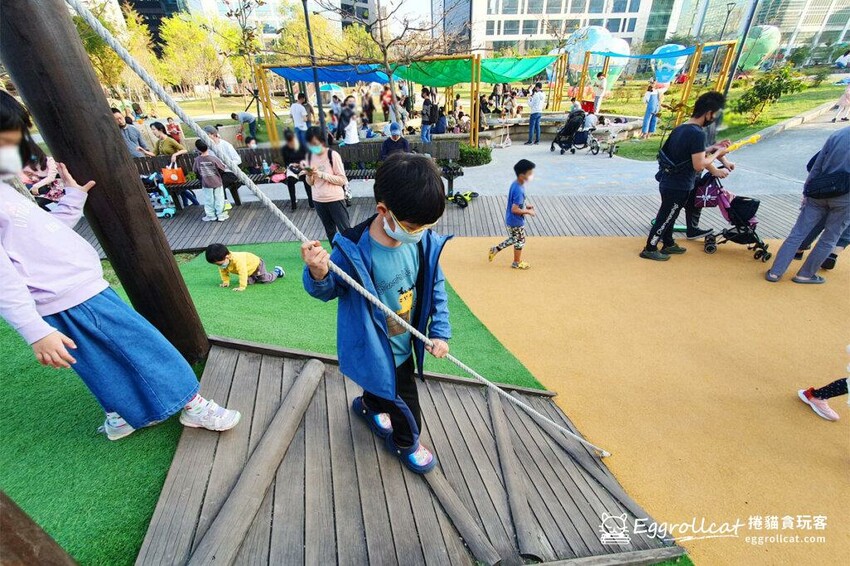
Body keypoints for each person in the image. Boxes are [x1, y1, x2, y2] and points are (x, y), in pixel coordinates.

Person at [0, 92, 240, 440]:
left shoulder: (5, 190)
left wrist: (72, 200)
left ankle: (122, 415)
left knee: (104, 365)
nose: (18, 146)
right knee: (146, 348)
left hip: (76, 291)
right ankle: (193, 404)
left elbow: (41, 238)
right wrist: (34, 330)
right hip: (68, 297)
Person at [300, 152, 450, 474]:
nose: (421, 231)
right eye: (414, 226)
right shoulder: (352, 249)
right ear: (384, 211)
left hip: (405, 341)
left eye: (428, 225)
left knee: (377, 386)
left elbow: (435, 286)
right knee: (405, 405)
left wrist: (439, 331)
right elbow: (327, 290)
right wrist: (318, 272)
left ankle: (368, 406)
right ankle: (406, 442)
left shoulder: (421, 241)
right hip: (376, 348)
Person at [641, 92, 733, 261]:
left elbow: (687, 153)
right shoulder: (698, 133)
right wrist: (718, 152)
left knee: (671, 214)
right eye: (715, 115)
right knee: (666, 216)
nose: (714, 119)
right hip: (679, 184)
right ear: (708, 113)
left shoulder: (682, 128)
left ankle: (668, 243)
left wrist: (712, 148)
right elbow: (699, 164)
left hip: (668, 180)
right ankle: (650, 247)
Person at [766, 127, 850, 283]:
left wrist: (807, 190)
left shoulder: (838, 134)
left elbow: (817, 165)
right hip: (845, 198)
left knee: (797, 233)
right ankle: (805, 275)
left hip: (820, 190)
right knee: (829, 238)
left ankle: (775, 272)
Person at [301, 126, 350, 241]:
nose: (312, 147)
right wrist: (309, 175)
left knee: (345, 231)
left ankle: (350, 252)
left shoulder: (332, 155)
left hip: (334, 199)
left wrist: (321, 174)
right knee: (330, 232)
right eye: (310, 144)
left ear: (322, 141)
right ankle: (335, 252)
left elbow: (342, 180)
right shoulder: (309, 157)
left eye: (315, 143)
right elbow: (310, 183)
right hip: (318, 200)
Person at [488, 159, 536, 270]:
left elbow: (517, 203)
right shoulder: (519, 190)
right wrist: (528, 211)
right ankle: (516, 262)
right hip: (516, 220)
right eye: (529, 173)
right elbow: (514, 209)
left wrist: (526, 206)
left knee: (515, 239)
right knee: (520, 241)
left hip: (511, 219)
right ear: (522, 175)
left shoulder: (516, 184)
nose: (531, 175)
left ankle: (495, 249)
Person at [205, 243, 284, 291]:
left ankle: (277, 271)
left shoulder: (238, 260)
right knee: (249, 282)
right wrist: (226, 282)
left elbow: (242, 272)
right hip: (248, 270)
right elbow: (223, 272)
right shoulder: (223, 262)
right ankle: (254, 277)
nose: (219, 266)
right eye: (217, 264)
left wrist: (242, 287)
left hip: (256, 265)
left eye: (219, 264)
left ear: (227, 257)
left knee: (265, 279)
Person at [193, 139, 228, 222]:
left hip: (206, 183)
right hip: (217, 182)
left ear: (197, 149)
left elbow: (195, 170)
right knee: (219, 199)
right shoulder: (213, 158)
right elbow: (222, 168)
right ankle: (220, 215)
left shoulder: (197, 160)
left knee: (208, 200)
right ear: (208, 147)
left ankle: (211, 215)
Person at [20, 144, 63, 211]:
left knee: (33, 200)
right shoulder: (34, 166)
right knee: (32, 203)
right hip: (45, 190)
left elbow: (51, 177)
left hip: (57, 189)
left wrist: (35, 186)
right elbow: (36, 179)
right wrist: (33, 179)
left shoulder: (50, 160)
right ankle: (49, 215)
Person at [279, 129, 313, 211]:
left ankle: (311, 202)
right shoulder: (284, 149)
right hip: (292, 168)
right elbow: (286, 162)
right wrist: (291, 164)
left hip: (302, 166)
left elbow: (307, 158)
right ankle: (293, 203)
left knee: (306, 179)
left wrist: (299, 164)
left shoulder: (301, 146)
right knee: (290, 181)